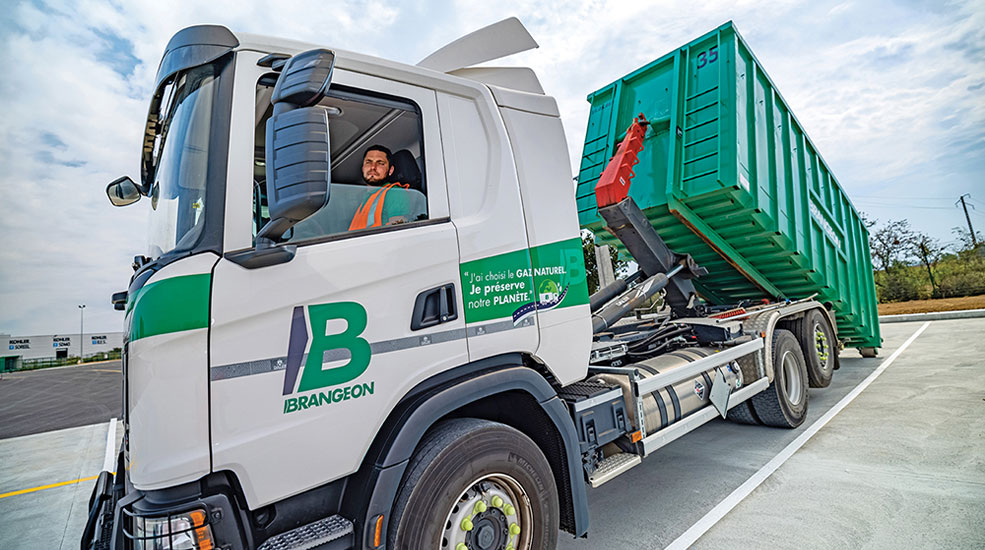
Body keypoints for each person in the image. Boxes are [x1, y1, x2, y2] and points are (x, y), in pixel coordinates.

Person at [348, 145, 415, 230]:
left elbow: (398, 232)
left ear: (390, 170)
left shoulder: (394, 192)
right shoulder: (363, 200)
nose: (373, 167)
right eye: (368, 162)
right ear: (363, 168)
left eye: (380, 163)